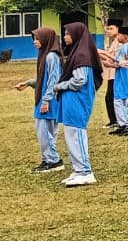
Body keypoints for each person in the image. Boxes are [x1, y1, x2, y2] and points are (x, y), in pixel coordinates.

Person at [53, 21, 102, 187]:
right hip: (71, 100)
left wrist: (60, 85)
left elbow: (80, 80)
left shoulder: (81, 56)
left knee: (77, 134)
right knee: (70, 135)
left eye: (67, 33)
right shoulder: (77, 53)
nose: (65, 36)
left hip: (77, 100)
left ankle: (86, 172)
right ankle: (78, 169)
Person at [16, 26, 64, 172]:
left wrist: (46, 100)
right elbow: (44, 78)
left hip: (48, 100)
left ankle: (53, 160)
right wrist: (29, 83)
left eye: (37, 39)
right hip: (46, 98)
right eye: (34, 39)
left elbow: (53, 80)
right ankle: (48, 159)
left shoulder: (51, 56)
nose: (34, 42)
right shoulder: (45, 54)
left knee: (44, 131)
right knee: (46, 130)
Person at [103, 17, 128, 136]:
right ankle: (121, 123)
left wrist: (107, 59)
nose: (109, 31)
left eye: (111, 29)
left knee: (120, 100)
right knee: (118, 100)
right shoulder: (118, 43)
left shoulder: (124, 46)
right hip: (118, 75)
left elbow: (119, 61)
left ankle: (125, 124)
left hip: (122, 76)